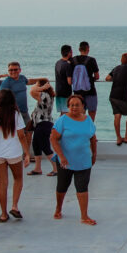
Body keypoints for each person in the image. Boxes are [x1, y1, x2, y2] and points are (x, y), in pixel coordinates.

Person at [50, 95, 98, 225]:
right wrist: (61, 156)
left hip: (84, 160)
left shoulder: (88, 120)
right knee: (62, 186)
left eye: (77, 105)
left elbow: (93, 138)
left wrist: (94, 154)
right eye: (71, 105)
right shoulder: (63, 120)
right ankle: (58, 208)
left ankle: (84, 216)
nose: (74, 107)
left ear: (83, 106)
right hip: (66, 161)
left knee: (82, 188)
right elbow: (53, 138)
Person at [0, 89, 30, 223]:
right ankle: (14, 206)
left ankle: (3, 213)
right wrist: (27, 153)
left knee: (2, 183)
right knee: (18, 179)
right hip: (13, 152)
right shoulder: (16, 115)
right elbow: (21, 135)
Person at [28, 79, 58, 176]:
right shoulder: (47, 95)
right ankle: (37, 168)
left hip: (43, 124)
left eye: (37, 85)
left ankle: (56, 168)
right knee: (36, 145)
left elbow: (31, 91)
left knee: (45, 147)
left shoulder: (44, 95)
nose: (36, 86)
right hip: (41, 124)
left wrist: (40, 87)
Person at [70, 41, 100, 119]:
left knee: (79, 113)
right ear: (88, 49)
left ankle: (79, 129)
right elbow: (97, 76)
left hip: (77, 92)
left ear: (79, 49)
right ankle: (90, 129)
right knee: (92, 112)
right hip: (90, 91)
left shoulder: (73, 60)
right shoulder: (92, 60)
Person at [0, 62, 34, 127]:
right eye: (11, 70)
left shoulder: (22, 78)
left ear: (20, 70)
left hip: (24, 111)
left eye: (15, 69)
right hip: (13, 113)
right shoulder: (6, 83)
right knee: (19, 133)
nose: (13, 72)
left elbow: (29, 82)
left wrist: (42, 80)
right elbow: (1, 99)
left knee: (29, 129)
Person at [54, 45, 73, 113]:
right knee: (66, 113)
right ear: (69, 53)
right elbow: (69, 82)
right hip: (66, 93)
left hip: (58, 91)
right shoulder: (67, 65)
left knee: (62, 113)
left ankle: (59, 124)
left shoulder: (58, 63)